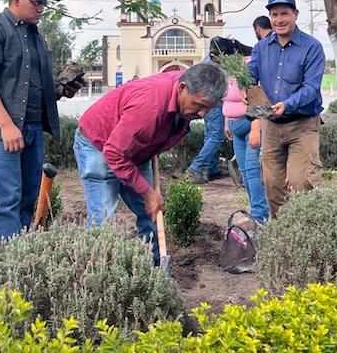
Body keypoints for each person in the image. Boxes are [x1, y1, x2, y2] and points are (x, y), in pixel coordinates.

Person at [0, 0, 84, 239]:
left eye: (44, 3)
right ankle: (7, 270)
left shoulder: (37, 38)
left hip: (31, 130)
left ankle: (20, 259)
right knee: (6, 202)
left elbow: (34, 87)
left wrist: (62, 90)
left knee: (27, 201)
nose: (41, 8)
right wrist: (6, 125)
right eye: (36, 2)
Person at [74, 64, 227, 261]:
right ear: (182, 88)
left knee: (153, 212)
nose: (202, 114)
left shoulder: (188, 91)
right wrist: (147, 192)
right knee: (102, 219)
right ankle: (94, 276)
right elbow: (114, 153)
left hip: (135, 149)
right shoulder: (149, 106)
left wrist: (149, 195)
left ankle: (155, 267)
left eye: (209, 108)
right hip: (99, 146)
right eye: (199, 105)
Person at [248, 0, 325, 218]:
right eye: (274, 14)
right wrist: (244, 87)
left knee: (302, 182)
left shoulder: (312, 47)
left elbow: (312, 88)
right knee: (272, 184)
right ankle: (284, 236)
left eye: (284, 14)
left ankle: (306, 231)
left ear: (295, 15)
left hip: (302, 124)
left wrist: (287, 104)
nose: (279, 19)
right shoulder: (262, 48)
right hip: (271, 125)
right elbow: (250, 76)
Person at [223, 59, 269, 223]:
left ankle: (259, 216)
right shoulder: (228, 74)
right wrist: (227, 120)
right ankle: (256, 210)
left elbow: (259, 97)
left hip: (251, 125)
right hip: (237, 129)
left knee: (252, 170)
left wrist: (256, 126)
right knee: (244, 173)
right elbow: (228, 101)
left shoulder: (249, 70)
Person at [186, 55, 230, 184]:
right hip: (214, 104)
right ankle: (196, 167)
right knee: (216, 137)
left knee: (210, 136)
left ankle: (212, 169)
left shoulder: (206, 61)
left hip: (206, 103)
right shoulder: (217, 67)